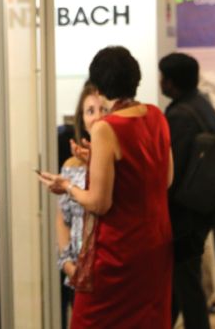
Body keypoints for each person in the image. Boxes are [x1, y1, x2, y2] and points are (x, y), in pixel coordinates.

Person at [40, 46, 174, 328]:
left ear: (99, 88)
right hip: (155, 248)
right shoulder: (156, 115)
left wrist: (67, 186)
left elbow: (99, 203)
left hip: (117, 254)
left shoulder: (106, 127)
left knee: (91, 321)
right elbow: (166, 178)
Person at [159, 52, 215, 329]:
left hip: (184, 214)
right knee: (180, 282)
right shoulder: (203, 106)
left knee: (187, 285)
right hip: (203, 208)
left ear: (171, 82)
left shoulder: (179, 116)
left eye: (163, 77)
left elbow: (172, 170)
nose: (161, 82)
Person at [40, 82, 107, 327]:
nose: (97, 117)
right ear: (82, 118)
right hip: (79, 270)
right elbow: (62, 218)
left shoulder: (117, 162)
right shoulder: (71, 164)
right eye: (90, 111)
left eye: (103, 110)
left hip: (110, 268)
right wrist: (68, 264)